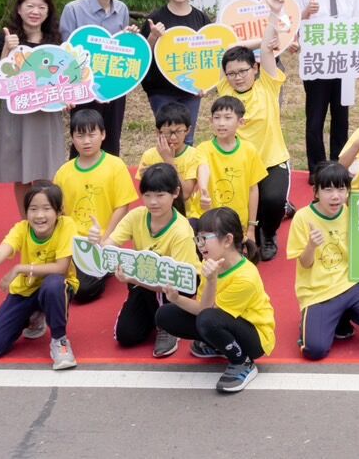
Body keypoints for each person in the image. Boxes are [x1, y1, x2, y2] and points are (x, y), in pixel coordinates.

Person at [0, 180, 78, 370]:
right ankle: (34, 317)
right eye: (33, 209)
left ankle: (59, 342)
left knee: (53, 285)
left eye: (46, 208)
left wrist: (21, 268)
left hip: (55, 286)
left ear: (59, 211)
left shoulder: (67, 225)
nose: (39, 215)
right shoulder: (21, 229)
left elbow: (61, 267)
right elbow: (1, 251)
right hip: (26, 290)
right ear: (26, 212)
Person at [151, 207, 276, 394]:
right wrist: (176, 298)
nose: (200, 245)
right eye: (198, 239)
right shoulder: (210, 262)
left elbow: (206, 310)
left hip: (255, 336)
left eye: (204, 238)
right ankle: (218, 344)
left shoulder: (246, 276)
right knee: (165, 315)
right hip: (219, 317)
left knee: (208, 320)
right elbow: (203, 305)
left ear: (227, 240)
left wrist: (211, 280)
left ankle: (243, 362)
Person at [287, 161, 359, 359]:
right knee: (315, 351)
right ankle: (313, 322)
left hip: (349, 284)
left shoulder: (352, 211)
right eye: (328, 189)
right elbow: (305, 263)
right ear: (316, 192)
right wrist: (311, 244)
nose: (335, 196)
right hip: (318, 292)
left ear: (347, 192)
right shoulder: (303, 218)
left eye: (341, 189)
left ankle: (341, 317)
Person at [212, 16, 293, 262]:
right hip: (239, 164)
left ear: (255, 69)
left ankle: (268, 232)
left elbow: (268, 47)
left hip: (271, 160)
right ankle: (251, 227)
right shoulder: (225, 90)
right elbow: (225, 52)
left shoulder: (268, 85)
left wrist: (274, 12)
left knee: (273, 200)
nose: (237, 77)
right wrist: (238, 51)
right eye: (232, 73)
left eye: (243, 71)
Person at [103, 163, 201, 357]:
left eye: (160, 195)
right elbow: (110, 244)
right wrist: (99, 244)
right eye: (147, 195)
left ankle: (168, 325)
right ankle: (156, 314)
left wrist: (133, 279)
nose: (152, 202)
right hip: (143, 278)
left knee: (157, 265)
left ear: (175, 193)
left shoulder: (181, 230)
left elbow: (179, 280)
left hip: (177, 284)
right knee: (126, 335)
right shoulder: (136, 216)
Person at [0, 0, 67, 212]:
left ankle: (48, 222)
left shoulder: (56, 41)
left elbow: (66, 78)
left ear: (48, 11)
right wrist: (7, 51)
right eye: (29, 6)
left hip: (47, 114)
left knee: (47, 170)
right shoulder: (6, 38)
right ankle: (26, 223)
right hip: (17, 113)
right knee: (21, 172)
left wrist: (68, 97)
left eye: (41, 7)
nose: (35, 11)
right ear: (19, 9)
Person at [53, 107, 139, 304]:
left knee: (84, 290)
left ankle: (100, 270)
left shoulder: (115, 166)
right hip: (72, 242)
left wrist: (105, 238)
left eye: (92, 134)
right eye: (80, 135)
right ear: (72, 138)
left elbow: (122, 207)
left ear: (103, 135)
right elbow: (58, 212)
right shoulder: (63, 172)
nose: (86, 141)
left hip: (101, 242)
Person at [295, 0, 359, 166]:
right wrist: (306, 13)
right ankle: (316, 168)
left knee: (341, 118)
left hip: (342, 65)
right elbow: (292, 27)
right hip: (317, 64)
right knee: (315, 119)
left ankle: (338, 165)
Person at [60, 0, 132, 157]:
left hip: (114, 87)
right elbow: (66, 53)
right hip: (84, 86)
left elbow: (123, 50)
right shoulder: (73, 9)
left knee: (111, 137)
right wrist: (69, 89)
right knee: (84, 135)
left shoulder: (122, 9)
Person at [138, 0, 210, 143]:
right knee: (168, 138)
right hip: (161, 90)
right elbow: (141, 57)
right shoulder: (154, 18)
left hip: (190, 90)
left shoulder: (200, 18)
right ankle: (167, 171)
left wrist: (207, 83)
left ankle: (186, 171)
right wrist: (153, 37)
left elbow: (210, 54)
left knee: (187, 138)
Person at [194, 95, 267, 257]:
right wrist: (204, 189)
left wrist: (251, 228)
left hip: (237, 224)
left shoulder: (249, 150)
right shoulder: (203, 148)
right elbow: (203, 167)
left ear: (241, 122)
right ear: (210, 121)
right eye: (217, 118)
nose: (221, 123)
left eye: (228, 118)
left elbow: (253, 189)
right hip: (209, 222)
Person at [136, 106, 208, 220]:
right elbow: (146, 193)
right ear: (157, 132)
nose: (173, 137)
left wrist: (169, 161)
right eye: (168, 132)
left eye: (179, 131)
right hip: (157, 216)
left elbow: (184, 194)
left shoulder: (194, 155)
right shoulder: (149, 155)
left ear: (188, 130)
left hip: (186, 216)